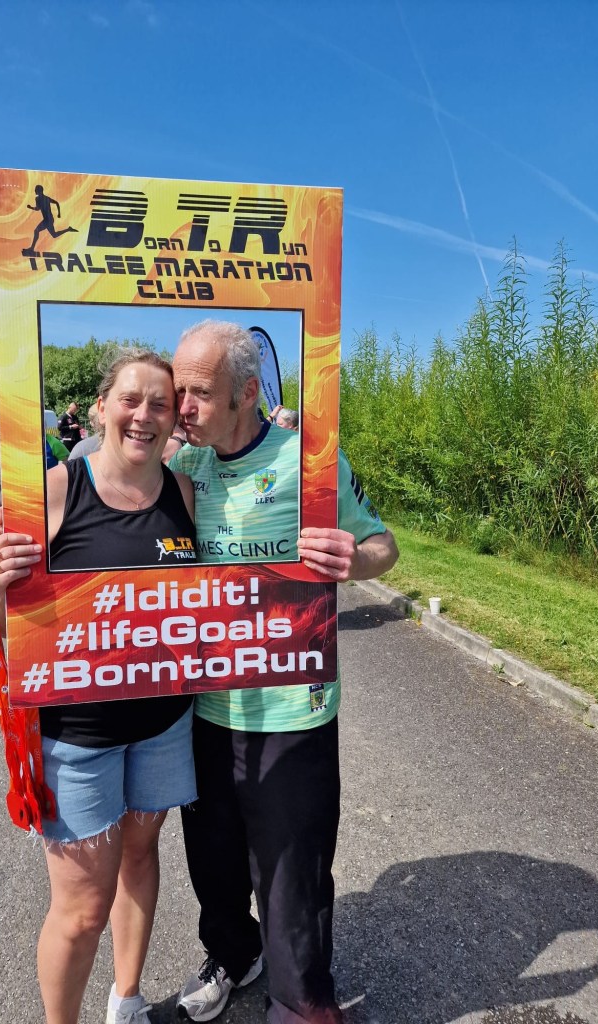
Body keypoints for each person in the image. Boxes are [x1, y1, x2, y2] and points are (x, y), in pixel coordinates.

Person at [167, 321, 399, 1024]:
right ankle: (233, 954)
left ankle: (301, 1002)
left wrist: (353, 560)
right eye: (177, 390)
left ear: (246, 393)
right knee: (213, 864)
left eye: (198, 394)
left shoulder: (310, 459)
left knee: (292, 873)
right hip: (205, 707)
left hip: (294, 709)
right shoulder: (185, 466)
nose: (181, 406)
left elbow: (384, 545)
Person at [0, 351, 198, 1024]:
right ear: (101, 407)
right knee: (81, 911)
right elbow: (5, 619)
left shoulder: (185, 493)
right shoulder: (51, 490)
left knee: (140, 857)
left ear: (174, 419)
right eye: (130, 399)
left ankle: (126, 999)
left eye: (160, 404)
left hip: (164, 724)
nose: (144, 415)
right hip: (76, 737)